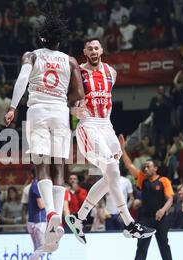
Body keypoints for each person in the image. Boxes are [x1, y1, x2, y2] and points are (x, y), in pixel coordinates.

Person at [4, 10, 85, 251]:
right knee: (58, 165)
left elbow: (22, 80)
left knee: (41, 164)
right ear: (59, 41)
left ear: (41, 39)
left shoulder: (32, 55)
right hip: (60, 112)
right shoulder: (69, 60)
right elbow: (79, 94)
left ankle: (51, 213)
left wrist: (12, 107)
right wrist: (66, 100)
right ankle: (58, 215)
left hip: (37, 110)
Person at [65, 38, 155, 244]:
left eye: (96, 47)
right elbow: (67, 98)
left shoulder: (111, 72)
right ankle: (130, 224)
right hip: (88, 124)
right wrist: (72, 110)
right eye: (90, 48)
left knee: (110, 177)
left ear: (102, 50)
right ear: (85, 52)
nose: (94, 51)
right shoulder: (77, 72)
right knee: (113, 169)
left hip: (107, 126)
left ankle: (78, 218)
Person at [118, 139, 175, 260]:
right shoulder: (142, 179)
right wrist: (123, 149)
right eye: (144, 166)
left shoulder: (164, 181)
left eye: (148, 166)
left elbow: (170, 199)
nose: (145, 168)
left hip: (161, 219)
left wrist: (162, 210)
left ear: (156, 168)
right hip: (145, 219)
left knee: (164, 248)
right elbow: (129, 165)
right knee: (141, 247)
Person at [16, 169, 52, 260]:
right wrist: (51, 201)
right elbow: (41, 204)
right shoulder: (37, 185)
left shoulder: (33, 185)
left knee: (37, 249)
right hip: (38, 221)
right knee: (42, 248)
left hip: (33, 221)